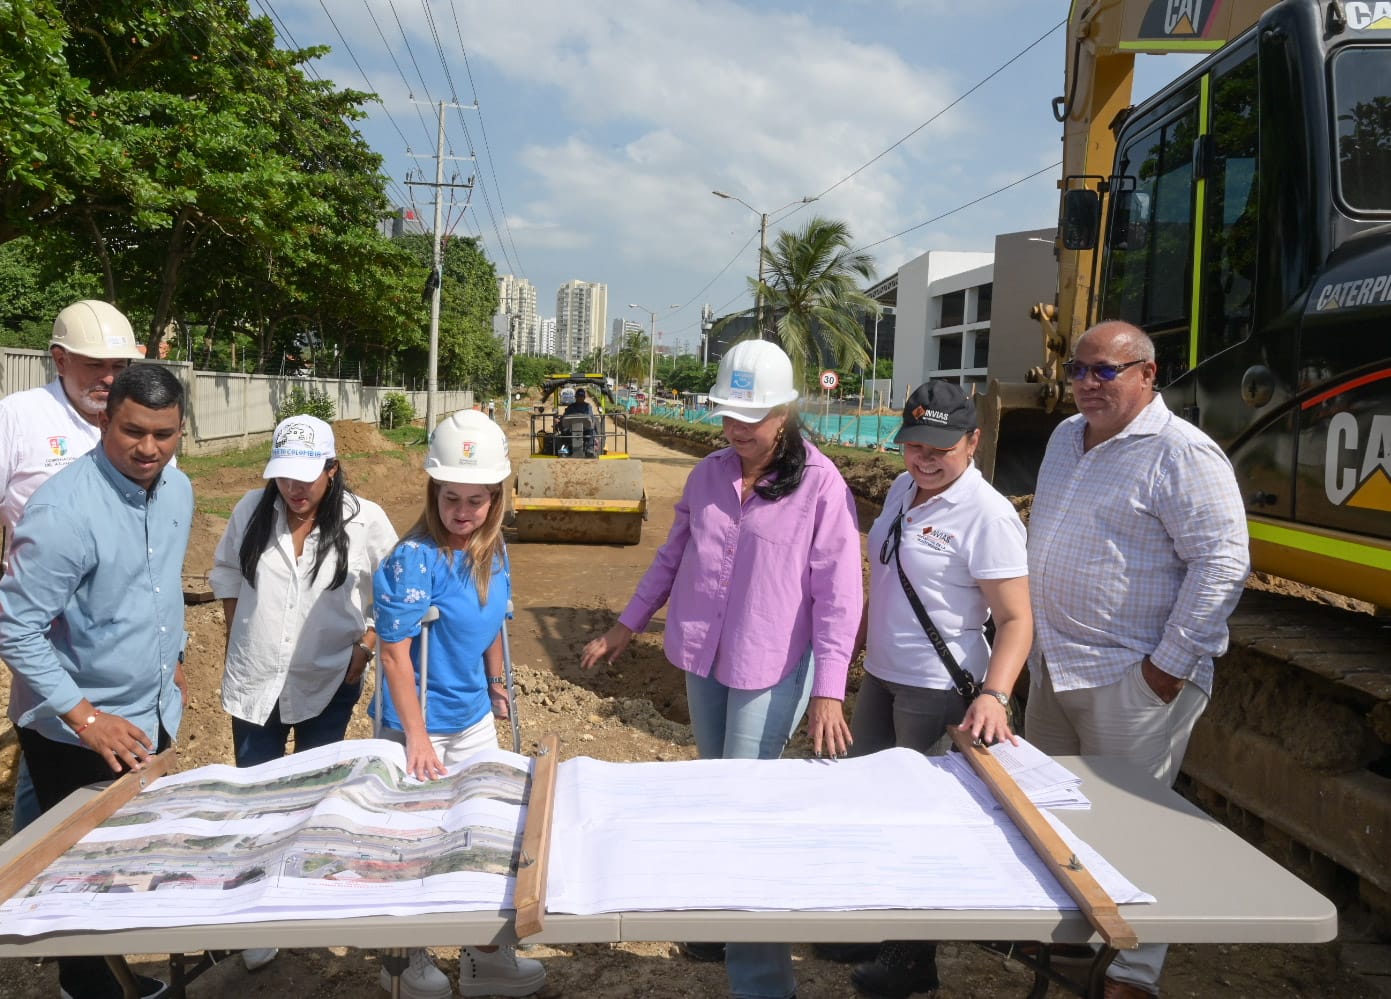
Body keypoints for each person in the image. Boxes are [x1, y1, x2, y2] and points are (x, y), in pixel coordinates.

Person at [581, 339, 862, 999]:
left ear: (785, 413)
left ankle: (762, 981)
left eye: (752, 416)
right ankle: (719, 918)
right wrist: (625, 626)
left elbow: (840, 594)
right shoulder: (708, 474)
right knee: (716, 795)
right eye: (729, 414)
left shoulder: (821, 483)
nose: (736, 428)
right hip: (703, 656)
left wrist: (828, 690)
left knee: (744, 813)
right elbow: (670, 557)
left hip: (772, 664)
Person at [1026, 321, 1249, 999]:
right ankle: (1070, 950)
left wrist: (1164, 669)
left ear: (1147, 375)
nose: (1087, 384)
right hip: (1054, 664)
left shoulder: (1181, 453)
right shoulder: (1066, 437)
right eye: (1078, 370)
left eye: (1106, 371)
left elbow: (1222, 562)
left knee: (1135, 830)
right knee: (1053, 817)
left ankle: (1131, 975)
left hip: (1130, 677)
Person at [829, 381, 1031, 999]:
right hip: (884, 679)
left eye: (939, 445)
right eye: (913, 443)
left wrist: (993, 696)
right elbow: (884, 585)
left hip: (939, 688)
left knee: (916, 823)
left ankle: (911, 957)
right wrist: (848, 660)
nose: (924, 457)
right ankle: (871, 925)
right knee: (867, 804)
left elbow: (1018, 620)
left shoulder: (987, 515)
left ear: (973, 440)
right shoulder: (899, 489)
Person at [0, 363, 190, 999]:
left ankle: (112, 970)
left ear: (181, 430)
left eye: (164, 434)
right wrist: (84, 716)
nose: (148, 448)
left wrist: (176, 658)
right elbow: (15, 630)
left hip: (152, 713)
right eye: (133, 430)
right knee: (78, 874)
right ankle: (83, 986)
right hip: (75, 733)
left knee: (125, 860)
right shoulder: (61, 512)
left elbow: (157, 587)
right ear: (104, 419)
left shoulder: (179, 491)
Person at [210, 414, 397, 971]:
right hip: (256, 682)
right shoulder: (251, 511)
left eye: (307, 478)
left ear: (333, 469)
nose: (294, 490)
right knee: (258, 797)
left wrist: (364, 648)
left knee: (317, 791)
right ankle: (255, 911)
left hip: (328, 679)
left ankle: (304, 890)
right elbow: (225, 578)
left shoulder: (366, 522)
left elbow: (393, 596)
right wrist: (236, 638)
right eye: (284, 478)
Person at [371, 409, 546, 999]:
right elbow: (394, 654)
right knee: (417, 841)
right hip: (418, 723)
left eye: (477, 499)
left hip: (471, 718)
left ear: (496, 500)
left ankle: (484, 956)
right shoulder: (411, 561)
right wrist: (416, 737)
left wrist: (498, 682)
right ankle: (412, 957)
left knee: (485, 834)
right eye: (452, 498)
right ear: (433, 493)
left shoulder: (492, 552)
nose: (463, 512)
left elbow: (494, 622)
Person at [0, 300, 145, 835]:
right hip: (46, 634)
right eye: (93, 365)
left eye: (119, 367)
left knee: (109, 764)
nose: (108, 378)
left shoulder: (133, 422)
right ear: (59, 359)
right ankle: (27, 882)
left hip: (122, 641)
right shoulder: (19, 418)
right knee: (52, 743)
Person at [562, 387, 598, 457]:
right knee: (564, 430)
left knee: (591, 431)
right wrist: (560, 419)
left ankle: (589, 449)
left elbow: (590, 416)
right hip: (571, 428)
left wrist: (591, 422)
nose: (580, 398)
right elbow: (565, 416)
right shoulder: (571, 407)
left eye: (581, 396)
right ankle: (567, 448)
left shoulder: (588, 406)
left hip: (584, 429)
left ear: (584, 397)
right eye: (578, 396)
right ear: (575, 397)